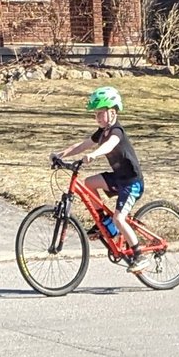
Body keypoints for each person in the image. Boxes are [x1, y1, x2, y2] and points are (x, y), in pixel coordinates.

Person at [53, 87, 144, 260]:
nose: (97, 118)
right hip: (118, 178)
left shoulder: (117, 131)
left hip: (132, 183)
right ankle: (103, 222)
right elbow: (83, 145)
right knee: (89, 183)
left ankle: (139, 255)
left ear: (112, 113)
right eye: (95, 114)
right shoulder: (102, 132)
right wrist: (60, 154)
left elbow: (110, 145)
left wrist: (94, 154)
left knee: (119, 219)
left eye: (100, 113)